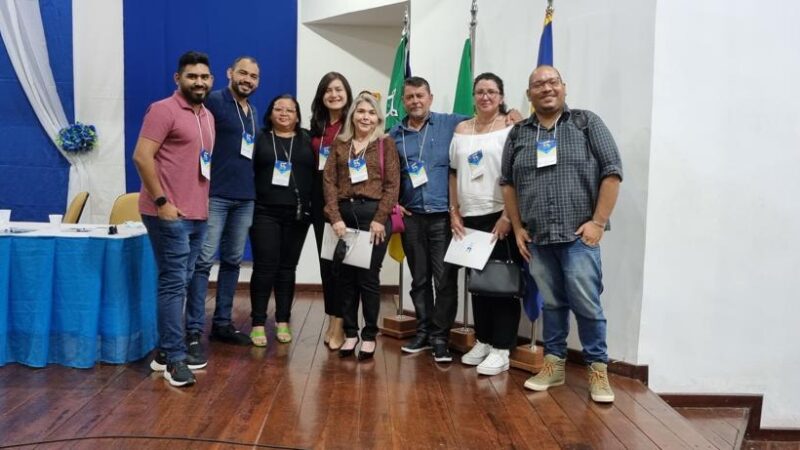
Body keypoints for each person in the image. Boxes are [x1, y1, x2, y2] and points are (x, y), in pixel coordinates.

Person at [501, 65, 623, 403]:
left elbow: (613, 173)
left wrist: (598, 223)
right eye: (538, 84)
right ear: (529, 95)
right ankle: (554, 366)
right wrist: (518, 226)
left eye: (552, 82)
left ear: (564, 87)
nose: (546, 88)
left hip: (578, 238)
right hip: (538, 240)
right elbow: (507, 183)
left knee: (587, 305)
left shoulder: (586, 123)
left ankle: (598, 370)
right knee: (553, 305)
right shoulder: (519, 133)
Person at [133, 51, 215, 387]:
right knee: (172, 283)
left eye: (204, 77)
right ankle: (174, 358)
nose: (199, 82)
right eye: (192, 76)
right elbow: (141, 156)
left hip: (197, 213)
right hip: (167, 213)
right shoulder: (163, 109)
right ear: (177, 79)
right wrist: (163, 201)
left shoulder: (206, 115)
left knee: (180, 282)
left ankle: (165, 353)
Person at [388, 77, 469, 363]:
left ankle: (440, 338)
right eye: (409, 97)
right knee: (419, 280)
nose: (415, 101)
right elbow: (387, 173)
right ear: (403, 102)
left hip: (443, 219)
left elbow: (485, 118)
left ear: (430, 98)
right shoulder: (393, 134)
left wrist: (511, 114)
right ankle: (422, 332)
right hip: (411, 217)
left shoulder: (450, 123)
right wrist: (394, 200)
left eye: (420, 96)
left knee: (444, 281)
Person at [449, 73, 521, 376]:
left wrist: (508, 215)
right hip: (469, 215)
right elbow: (453, 172)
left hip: (499, 213)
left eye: (492, 91)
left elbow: (518, 173)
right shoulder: (461, 129)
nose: (485, 96)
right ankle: (484, 339)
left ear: (502, 97)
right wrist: (454, 211)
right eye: (480, 91)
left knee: (502, 281)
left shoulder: (511, 127)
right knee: (478, 283)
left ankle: (503, 347)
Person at [186, 56, 260, 351]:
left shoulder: (252, 111)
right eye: (242, 72)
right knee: (203, 262)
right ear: (229, 73)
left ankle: (222, 324)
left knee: (232, 262)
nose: (247, 79)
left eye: (253, 76)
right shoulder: (214, 102)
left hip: (245, 198)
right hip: (215, 194)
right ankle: (193, 328)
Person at [323, 92, 400, 360]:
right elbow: (329, 182)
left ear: (377, 117)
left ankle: (369, 335)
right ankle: (351, 332)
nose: (365, 116)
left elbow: (392, 185)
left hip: (373, 216)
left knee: (367, 278)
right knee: (345, 279)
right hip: (344, 217)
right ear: (352, 116)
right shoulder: (340, 144)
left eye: (370, 112)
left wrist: (380, 219)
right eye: (360, 111)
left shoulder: (384, 144)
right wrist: (334, 217)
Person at [249, 94, 314, 347]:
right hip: (264, 211)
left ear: (297, 115)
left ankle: (283, 320)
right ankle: (257, 323)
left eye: (290, 110)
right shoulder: (260, 139)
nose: (284, 113)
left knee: (287, 269)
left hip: (298, 213)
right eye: (279, 108)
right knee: (265, 267)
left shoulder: (308, 139)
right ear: (270, 112)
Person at [310, 72, 353, 350]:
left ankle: (343, 323)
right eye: (328, 90)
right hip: (319, 202)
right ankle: (332, 318)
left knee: (345, 267)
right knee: (327, 264)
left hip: (348, 202)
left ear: (347, 93)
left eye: (338, 89)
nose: (334, 94)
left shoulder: (355, 124)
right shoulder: (316, 127)